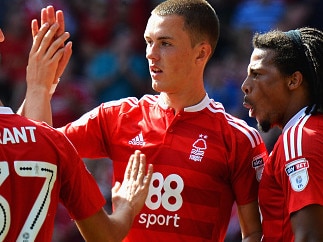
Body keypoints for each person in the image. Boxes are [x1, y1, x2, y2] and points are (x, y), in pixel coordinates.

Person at [20, 1, 268, 241]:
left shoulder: (238, 139)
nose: (151, 54)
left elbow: (255, 233)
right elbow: (37, 152)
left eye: (165, 43)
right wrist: (42, 85)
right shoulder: (116, 116)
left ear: (201, 52)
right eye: (148, 42)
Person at [0, 10, 153, 242]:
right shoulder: (53, 142)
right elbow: (105, 237)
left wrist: (39, 88)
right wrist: (128, 205)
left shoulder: (48, 140)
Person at [241, 27, 323, 241]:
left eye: (256, 74)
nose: (245, 86)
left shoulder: (300, 139)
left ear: (293, 80)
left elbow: (310, 236)